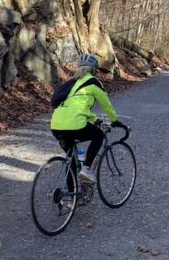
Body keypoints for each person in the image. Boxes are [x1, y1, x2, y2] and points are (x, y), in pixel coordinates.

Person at [50, 54, 125, 184]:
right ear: (94, 70)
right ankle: (87, 169)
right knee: (99, 135)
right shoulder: (93, 82)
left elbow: (76, 107)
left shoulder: (71, 83)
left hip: (56, 126)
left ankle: (70, 195)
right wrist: (114, 120)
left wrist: (94, 119)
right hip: (74, 125)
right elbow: (106, 105)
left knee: (71, 160)